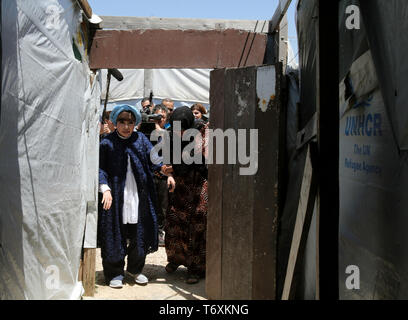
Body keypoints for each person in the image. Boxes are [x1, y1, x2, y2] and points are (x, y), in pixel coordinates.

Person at [98, 104, 172, 288]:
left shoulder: (141, 139)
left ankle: (135, 269)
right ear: (115, 122)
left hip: (139, 194)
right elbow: (99, 168)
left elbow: (154, 160)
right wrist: (105, 188)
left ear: (135, 123)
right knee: (116, 231)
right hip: (116, 195)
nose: (126, 126)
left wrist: (165, 171)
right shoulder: (107, 142)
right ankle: (115, 272)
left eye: (130, 122)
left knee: (140, 230)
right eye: (122, 122)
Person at [164, 106, 209, 284]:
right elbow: (167, 158)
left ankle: (195, 268)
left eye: (183, 129)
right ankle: (176, 259)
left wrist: (176, 167)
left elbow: (199, 161)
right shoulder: (169, 135)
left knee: (197, 223)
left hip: (198, 185)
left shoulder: (202, 133)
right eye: (177, 129)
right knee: (174, 220)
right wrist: (167, 172)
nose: (180, 133)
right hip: (179, 186)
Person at [151, 104, 170, 246]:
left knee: (163, 206)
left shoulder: (168, 132)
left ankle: (161, 231)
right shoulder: (146, 131)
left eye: (162, 117)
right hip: (150, 174)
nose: (159, 119)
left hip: (163, 175)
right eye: (157, 116)